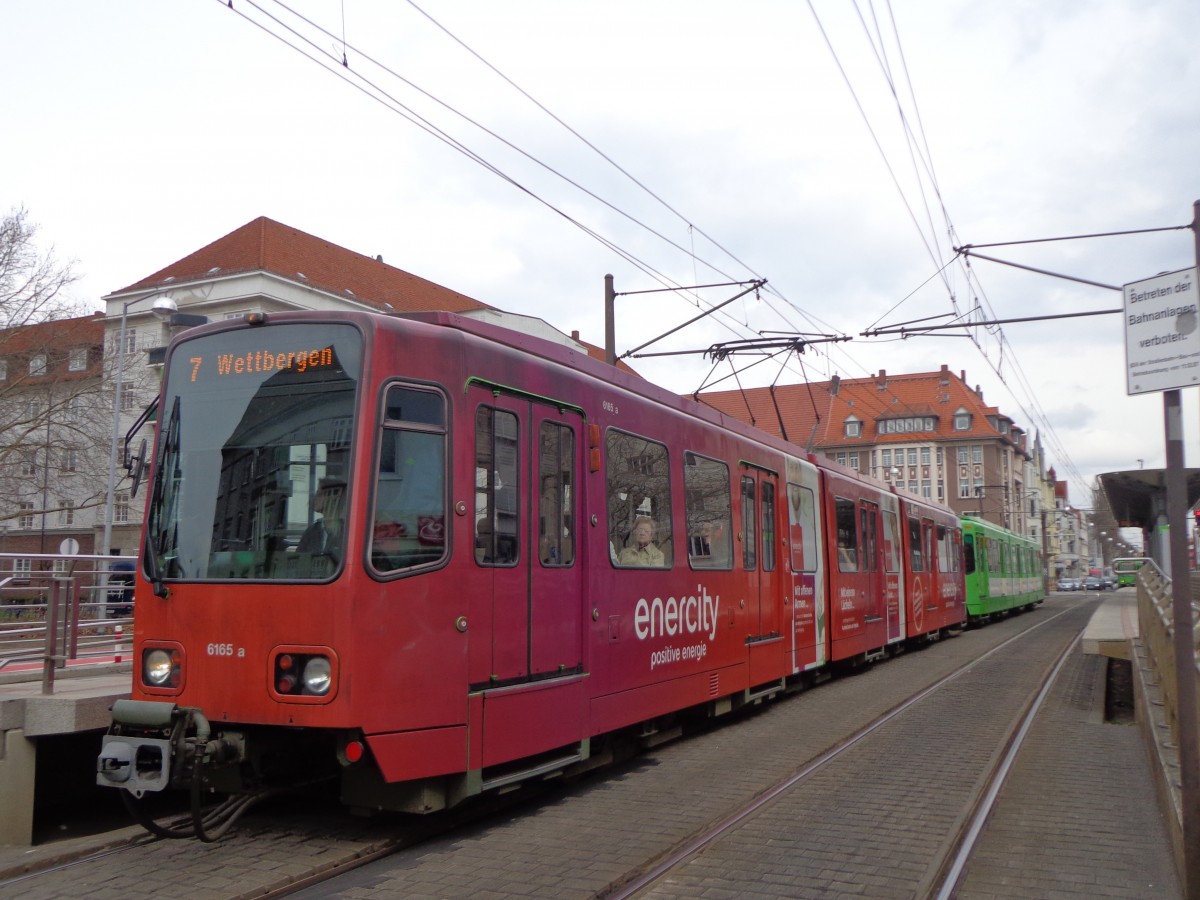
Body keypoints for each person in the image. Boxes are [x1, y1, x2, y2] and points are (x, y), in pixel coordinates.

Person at [298, 478, 345, 558]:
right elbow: (299, 558)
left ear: (332, 497)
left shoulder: (346, 531)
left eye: (319, 494)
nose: (315, 498)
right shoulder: (312, 531)